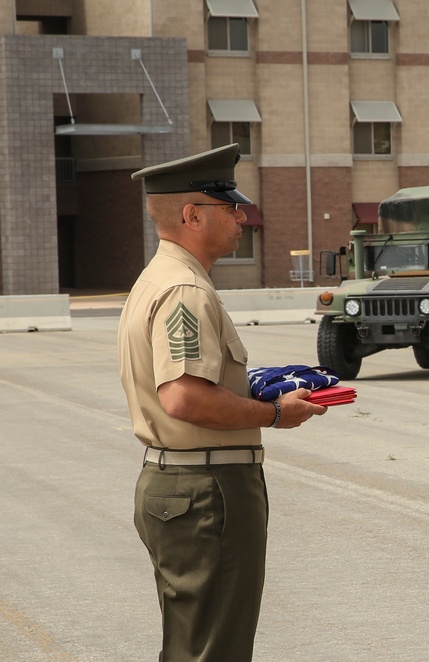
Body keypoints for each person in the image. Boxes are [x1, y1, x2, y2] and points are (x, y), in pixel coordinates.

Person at [118, 143, 327, 661]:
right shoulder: (184, 289)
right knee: (215, 648)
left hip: (187, 482)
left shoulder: (160, 279)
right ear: (191, 215)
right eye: (228, 207)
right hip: (206, 488)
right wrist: (276, 414)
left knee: (194, 643)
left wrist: (249, 388)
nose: (241, 217)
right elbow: (184, 396)